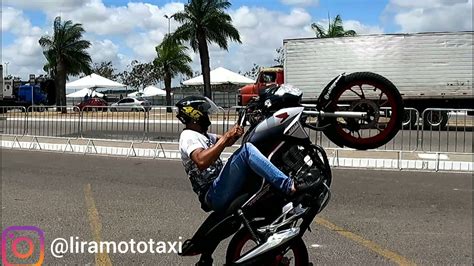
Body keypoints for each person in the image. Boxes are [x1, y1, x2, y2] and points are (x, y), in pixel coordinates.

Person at [177, 96, 297, 213]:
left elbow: (226, 142)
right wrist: (227, 136)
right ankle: (288, 186)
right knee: (247, 151)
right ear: (194, 114)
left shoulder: (203, 135)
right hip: (213, 193)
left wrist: (239, 124)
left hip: (220, 186)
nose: (207, 115)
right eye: (204, 112)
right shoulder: (188, 135)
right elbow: (201, 161)